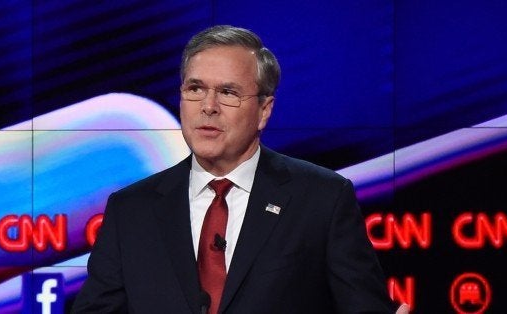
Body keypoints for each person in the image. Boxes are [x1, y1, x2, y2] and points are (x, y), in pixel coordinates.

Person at [72, 25, 409, 313]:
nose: (208, 107)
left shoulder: (322, 199)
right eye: (195, 89)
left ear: (264, 110)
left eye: (228, 93)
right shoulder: (131, 210)